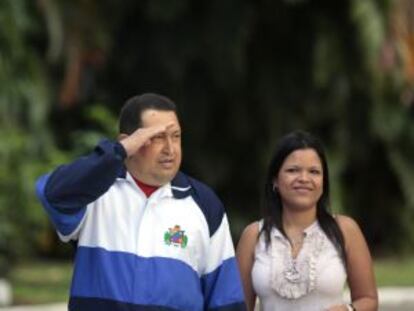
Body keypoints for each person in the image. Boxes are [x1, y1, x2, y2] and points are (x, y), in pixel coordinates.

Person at [36, 93, 246, 311]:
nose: (170, 149)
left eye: (176, 136)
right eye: (157, 137)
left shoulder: (205, 204)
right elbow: (53, 194)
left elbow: (225, 299)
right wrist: (118, 153)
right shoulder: (95, 194)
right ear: (128, 142)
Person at [236, 130, 378, 311]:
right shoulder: (254, 236)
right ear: (275, 180)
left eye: (314, 171)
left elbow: (369, 299)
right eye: (293, 170)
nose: (304, 179)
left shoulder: (345, 230)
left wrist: (348, 310)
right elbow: (238, 307)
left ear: (323, 181)